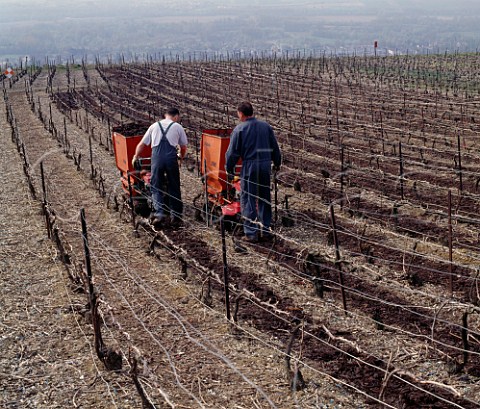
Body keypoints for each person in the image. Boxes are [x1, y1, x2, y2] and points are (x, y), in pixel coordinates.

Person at [225, 101, 281, 242]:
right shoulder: (266, 127)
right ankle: (265, 230)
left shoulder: (240, 129)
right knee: (264, 197)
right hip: (265, 165)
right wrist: (277, 163)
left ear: (241, 114)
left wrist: (229, 168)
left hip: (250, 165)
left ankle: (251, 233)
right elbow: (275, 147)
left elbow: (232, 153)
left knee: (248, 198)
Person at [132, 107, 188, 226]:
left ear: (165, 115)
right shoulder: (178, 127)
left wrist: (135, 156)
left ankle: (159, 214)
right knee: (174, 186)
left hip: (156, 159)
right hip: (171, 159)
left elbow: (142, 144)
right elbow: (183, 147)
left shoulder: (154, 126)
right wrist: (181, 158)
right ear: (176, 116)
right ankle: (176, 217)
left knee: (156, 186)